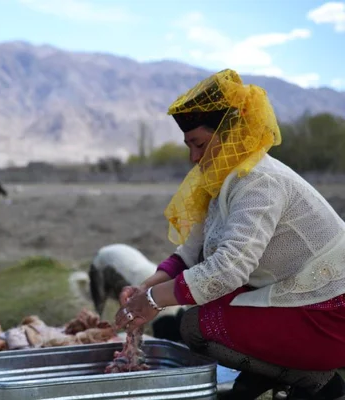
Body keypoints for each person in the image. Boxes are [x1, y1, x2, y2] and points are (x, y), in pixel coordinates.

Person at [114, 69, 345, 400]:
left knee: (196, 326)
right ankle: (264, 374)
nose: (193, 158)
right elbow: (193, 250)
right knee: (208, 302)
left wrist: (153, 302)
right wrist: (146, 287)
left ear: (227, 134)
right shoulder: (228, 177)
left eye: (199, 144)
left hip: (329, 313)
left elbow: (228, 269)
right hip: (297, 298)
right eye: (188, 146)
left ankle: (318, 381)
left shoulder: (259, 182)